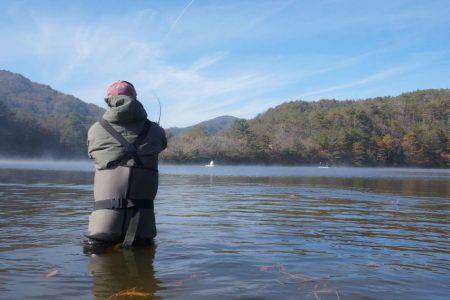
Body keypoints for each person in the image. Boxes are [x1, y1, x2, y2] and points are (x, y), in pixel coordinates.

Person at [86, 81, 166, 247]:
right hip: (142, 230)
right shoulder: (156, 132)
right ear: (135, 99)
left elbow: (91, 152)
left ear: (109, 100)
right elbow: (162, 144)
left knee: (102, 271)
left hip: (102, 229)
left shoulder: (95, 129)